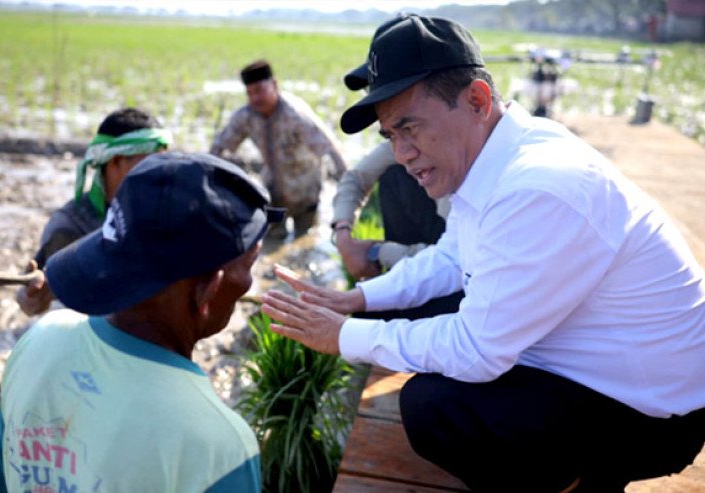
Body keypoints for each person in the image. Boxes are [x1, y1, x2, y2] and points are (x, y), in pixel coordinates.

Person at [261, 14, 705, 493]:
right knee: (433, 324)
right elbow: (452, 258)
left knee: (434, 408)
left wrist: (346, 335)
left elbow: (477, 351)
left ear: (476, 100)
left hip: (655, 413)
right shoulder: (499, 154)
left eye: (410, 127)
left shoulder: (537, 186)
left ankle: (577, 481)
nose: (403, 153)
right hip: (603, 368)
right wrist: (360, 300)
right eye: (391, 136)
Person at [0, 151, 284, 492]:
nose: (250, 283)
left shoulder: (37, 341)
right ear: (210, 290)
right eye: (249, 264)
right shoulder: (219, 446)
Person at [333, 63, 463, 319]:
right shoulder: (402, 145)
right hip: (435, 256)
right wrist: (343, 232)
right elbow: (356, 178)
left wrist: (376, 252)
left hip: (458, 279)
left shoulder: (451, 153)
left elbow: (456, 260)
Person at [16, 107, 170, 316]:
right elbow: (39, 294)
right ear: (115, 161)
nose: (159, 175)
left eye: (163, 164)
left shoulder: (162, 210)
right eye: (149, 165)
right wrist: (33, 299)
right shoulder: (70, 227)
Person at [210, 59, 346, 238]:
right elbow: (219, 147)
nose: (255, 98)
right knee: (271, 238)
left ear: (274, 85)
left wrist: (347, 188)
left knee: (305, 238)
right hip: (273, 194)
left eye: (259, 91)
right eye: (250, 93)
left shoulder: (295, 114)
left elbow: (329, 148)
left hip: (305, 192)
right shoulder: (246, 116)